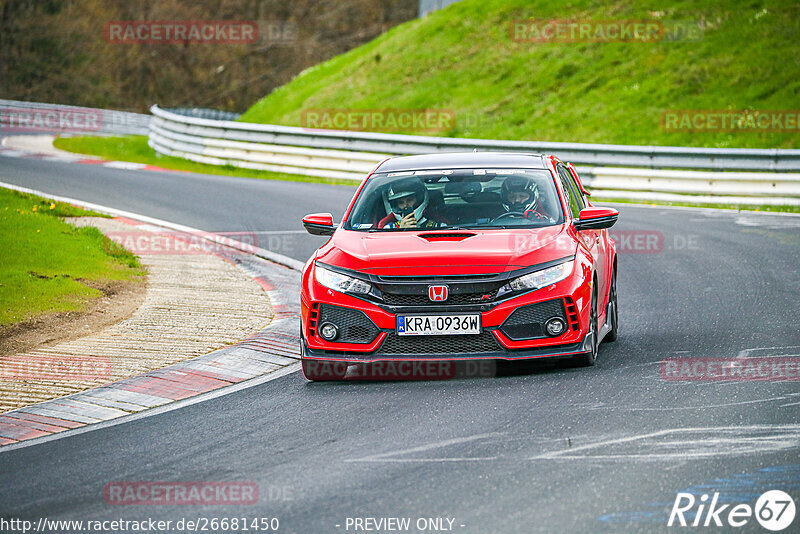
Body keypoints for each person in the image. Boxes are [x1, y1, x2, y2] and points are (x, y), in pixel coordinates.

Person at [378, 177, 446, 229]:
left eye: (409, 200)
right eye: (401, 202)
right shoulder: (388, 229)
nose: (405, 205)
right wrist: (401, 231)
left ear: (419, 199)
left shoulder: (439, 226)